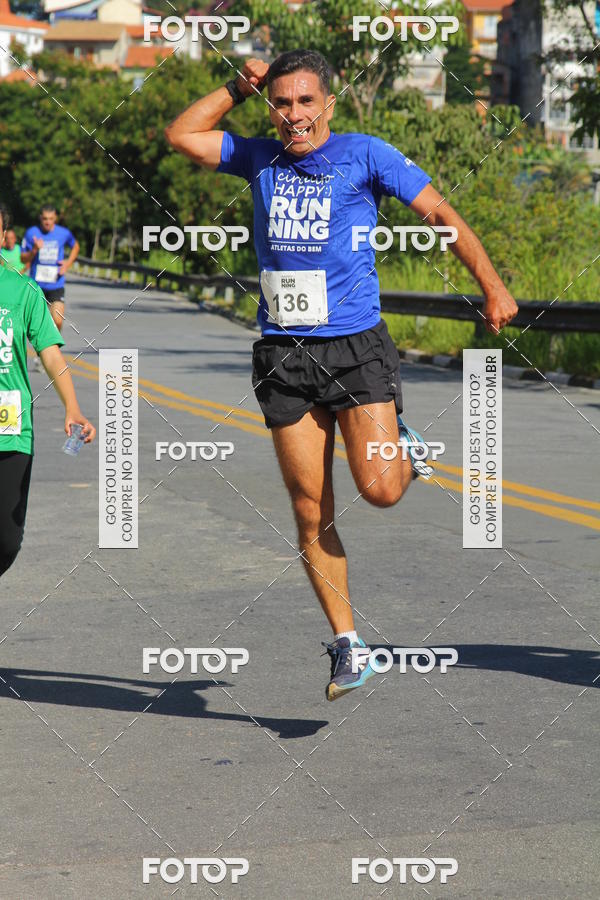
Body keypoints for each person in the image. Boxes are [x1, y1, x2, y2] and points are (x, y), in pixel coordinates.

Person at [165, 49, 518, 701]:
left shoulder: (367, 154)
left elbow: (440, 215)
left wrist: (491, 287)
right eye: (281, 102)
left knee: (380, 492)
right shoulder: (256, 155)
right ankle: (350, 648)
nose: (293, 114)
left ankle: (404, 449)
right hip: (283, 354)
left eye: (304, 101)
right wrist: (242, 84)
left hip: (355, 347)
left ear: (329, 102)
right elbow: (182, 134)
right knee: (309, 509)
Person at [0, 203, 95, 578]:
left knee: (6, 540)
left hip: (10, 428)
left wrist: (72, 407)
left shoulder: (22, 290)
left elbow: (51, 355)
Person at [20, 205, 80, 334]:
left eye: (50, 219)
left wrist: (67, 264)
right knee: (35, 326)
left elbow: (75, 247)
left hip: (56, 285)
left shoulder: (63, 233)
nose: (47, 222)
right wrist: (35, 249)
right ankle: (41, 352)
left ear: (55, 218)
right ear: (40, 218)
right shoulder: (31, 233)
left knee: (57, 321)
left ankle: (52, 349)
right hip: (36, 286)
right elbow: (23, 259)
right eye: (45, 218)